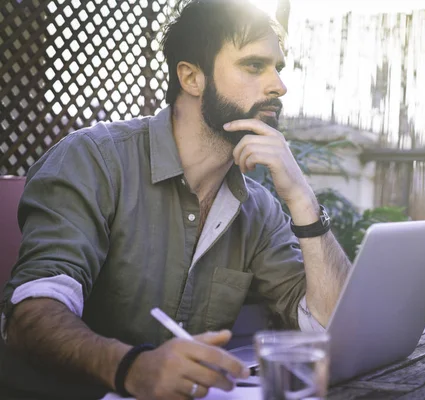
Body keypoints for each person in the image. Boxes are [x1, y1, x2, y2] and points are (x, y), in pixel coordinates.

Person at [0, 1, 351, 399]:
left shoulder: (259, 208)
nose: (279, 86)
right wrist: (133, 367)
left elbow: (330, 330)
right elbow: (32, 313)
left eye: (278, 68)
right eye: (254, 66)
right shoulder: (94, 161)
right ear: (191, 77)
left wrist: (302, 199)